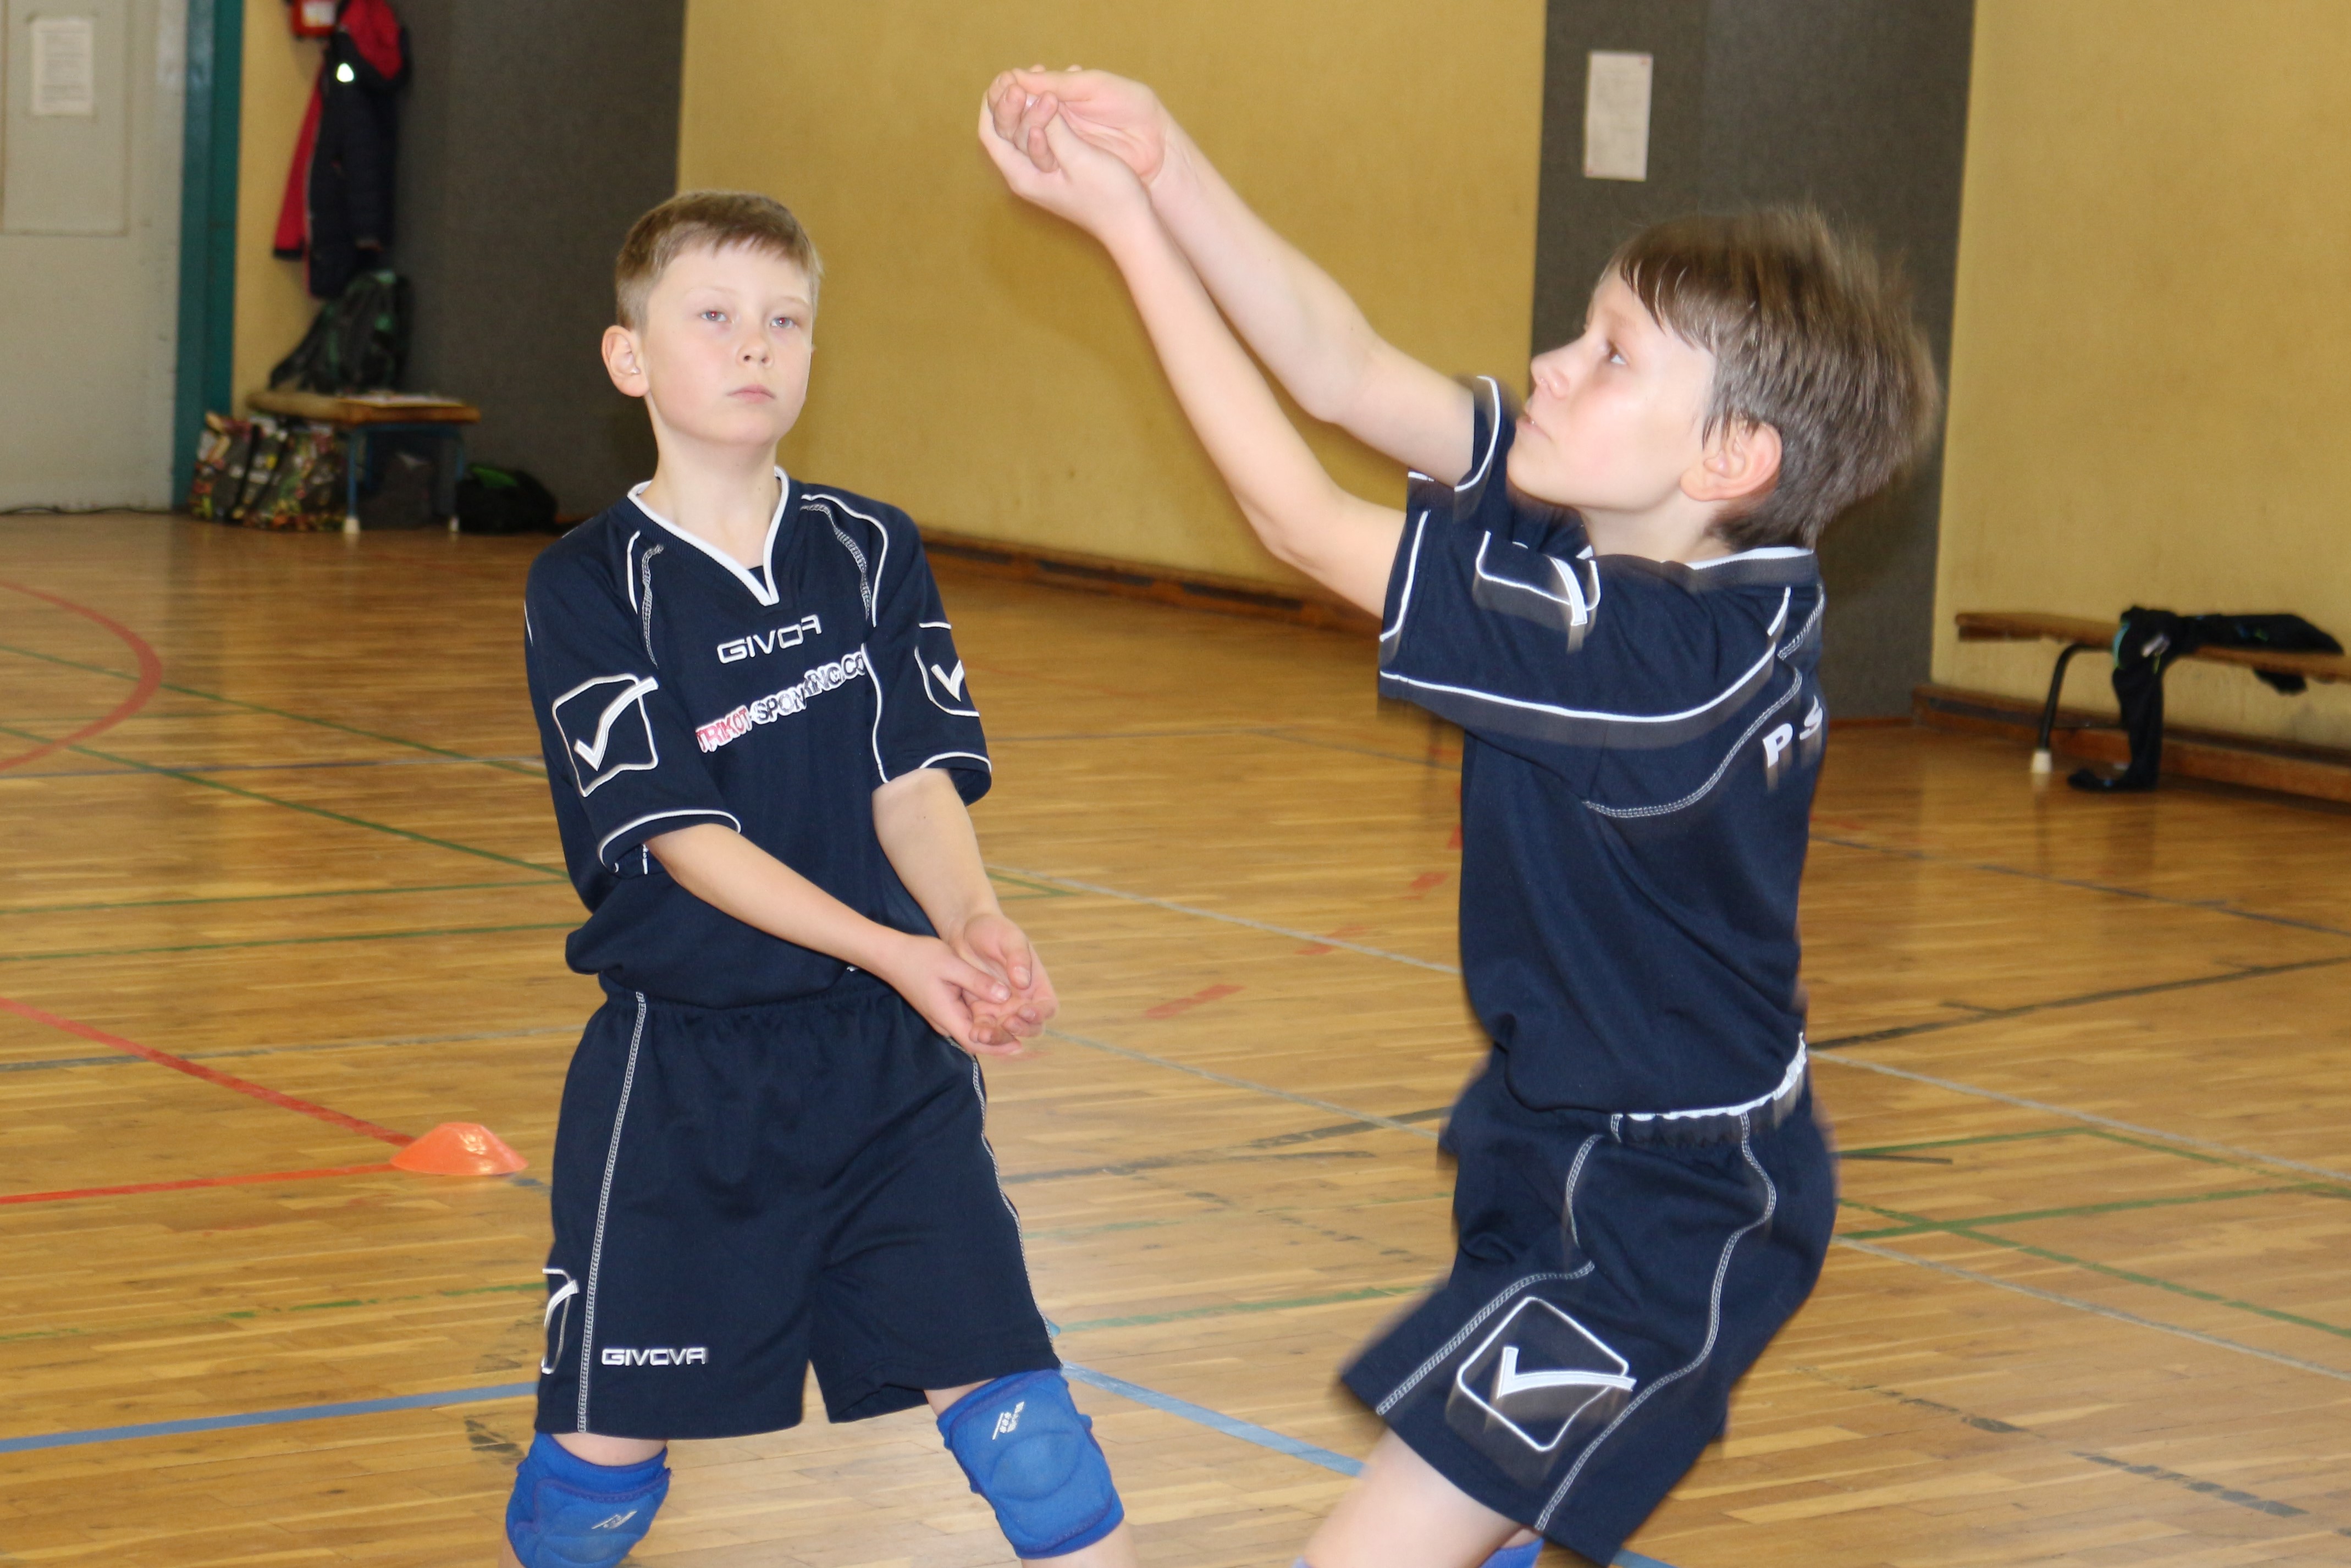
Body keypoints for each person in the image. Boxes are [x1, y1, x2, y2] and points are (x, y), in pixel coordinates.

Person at [980, 69, 1938, 1568]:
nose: (1551, 363)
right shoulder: (1664, 542)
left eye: (1609, 356)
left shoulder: (1656, 661)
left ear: (1727, 458)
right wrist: (1169, 170)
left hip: (1665, 1212)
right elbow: (1343, 370)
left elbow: (1299, 516)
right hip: (1554, 1138)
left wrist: (1125, 237)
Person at [501, 190, 1138, 1568]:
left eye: (786, 320)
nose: (756, 345)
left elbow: (909, 782)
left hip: (885, 1072)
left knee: (1032, 1441)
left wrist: (970, 921)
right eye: (715, 317)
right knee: (590, 1486)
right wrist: (898, 950)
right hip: (683, 1082)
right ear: (628, 358)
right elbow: (686, 839)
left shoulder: (869, 546)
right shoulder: (587, 584)